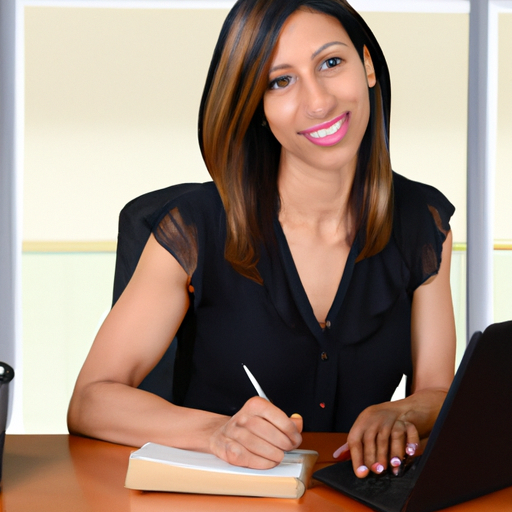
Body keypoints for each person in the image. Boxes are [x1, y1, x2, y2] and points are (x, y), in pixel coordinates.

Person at [67, 0, 456, 479]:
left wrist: (404, 413)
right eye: (281, 80)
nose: (318, 101)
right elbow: (91, 398)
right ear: (257, 108)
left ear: (368, 67)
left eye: (331, 63)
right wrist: (216, 433)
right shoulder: (195, 228)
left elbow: (438, 393)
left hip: (358, 496)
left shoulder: (423, 222)